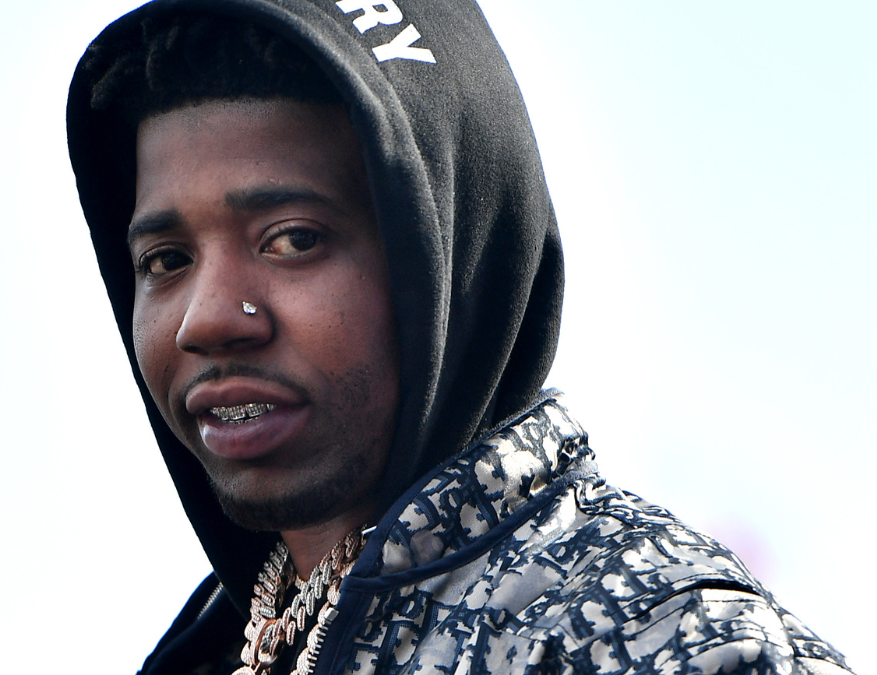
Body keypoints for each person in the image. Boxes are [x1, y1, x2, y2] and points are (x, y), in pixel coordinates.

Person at [66, 1, 853, 673]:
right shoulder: (217, 646)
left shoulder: (658, 637)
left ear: (451, 253)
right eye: (166, 260)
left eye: (293, 240)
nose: (206, 317)